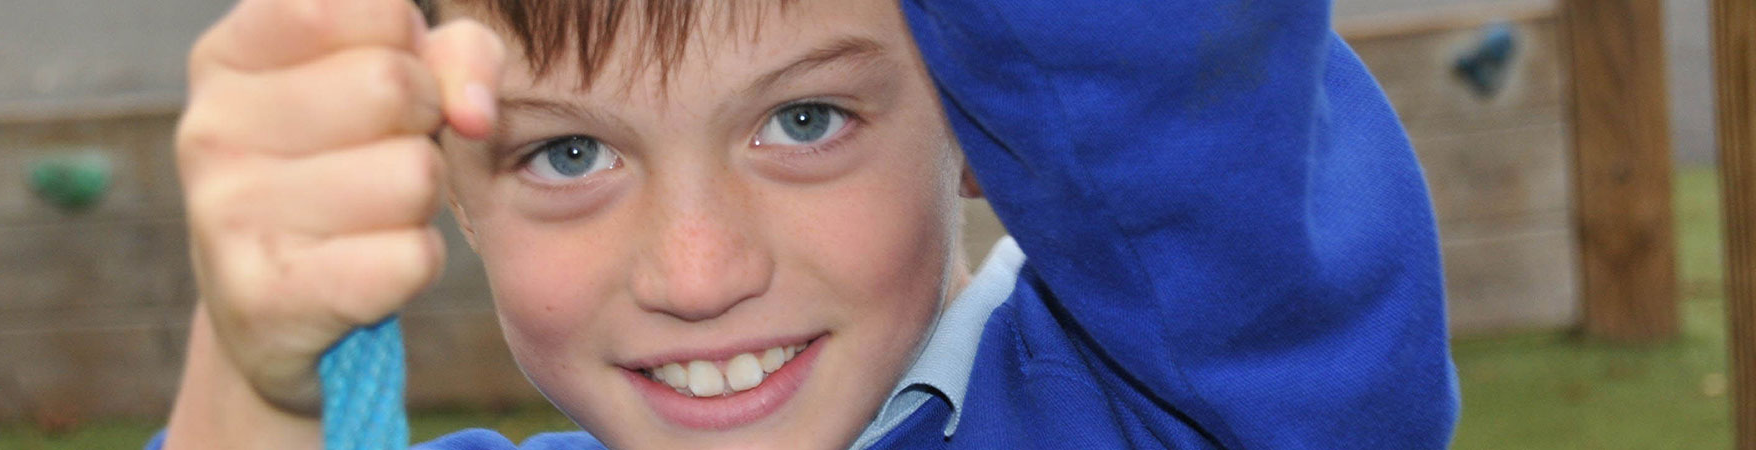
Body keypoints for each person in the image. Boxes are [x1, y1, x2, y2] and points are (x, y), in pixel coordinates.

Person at [157, 0, 1459, 448]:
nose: (697, 271)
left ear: (980, 113)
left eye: (804, 123)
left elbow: (1163, 84)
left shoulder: (1169, 410)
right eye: (567, 150)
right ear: (446, 184)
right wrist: (257, 372)